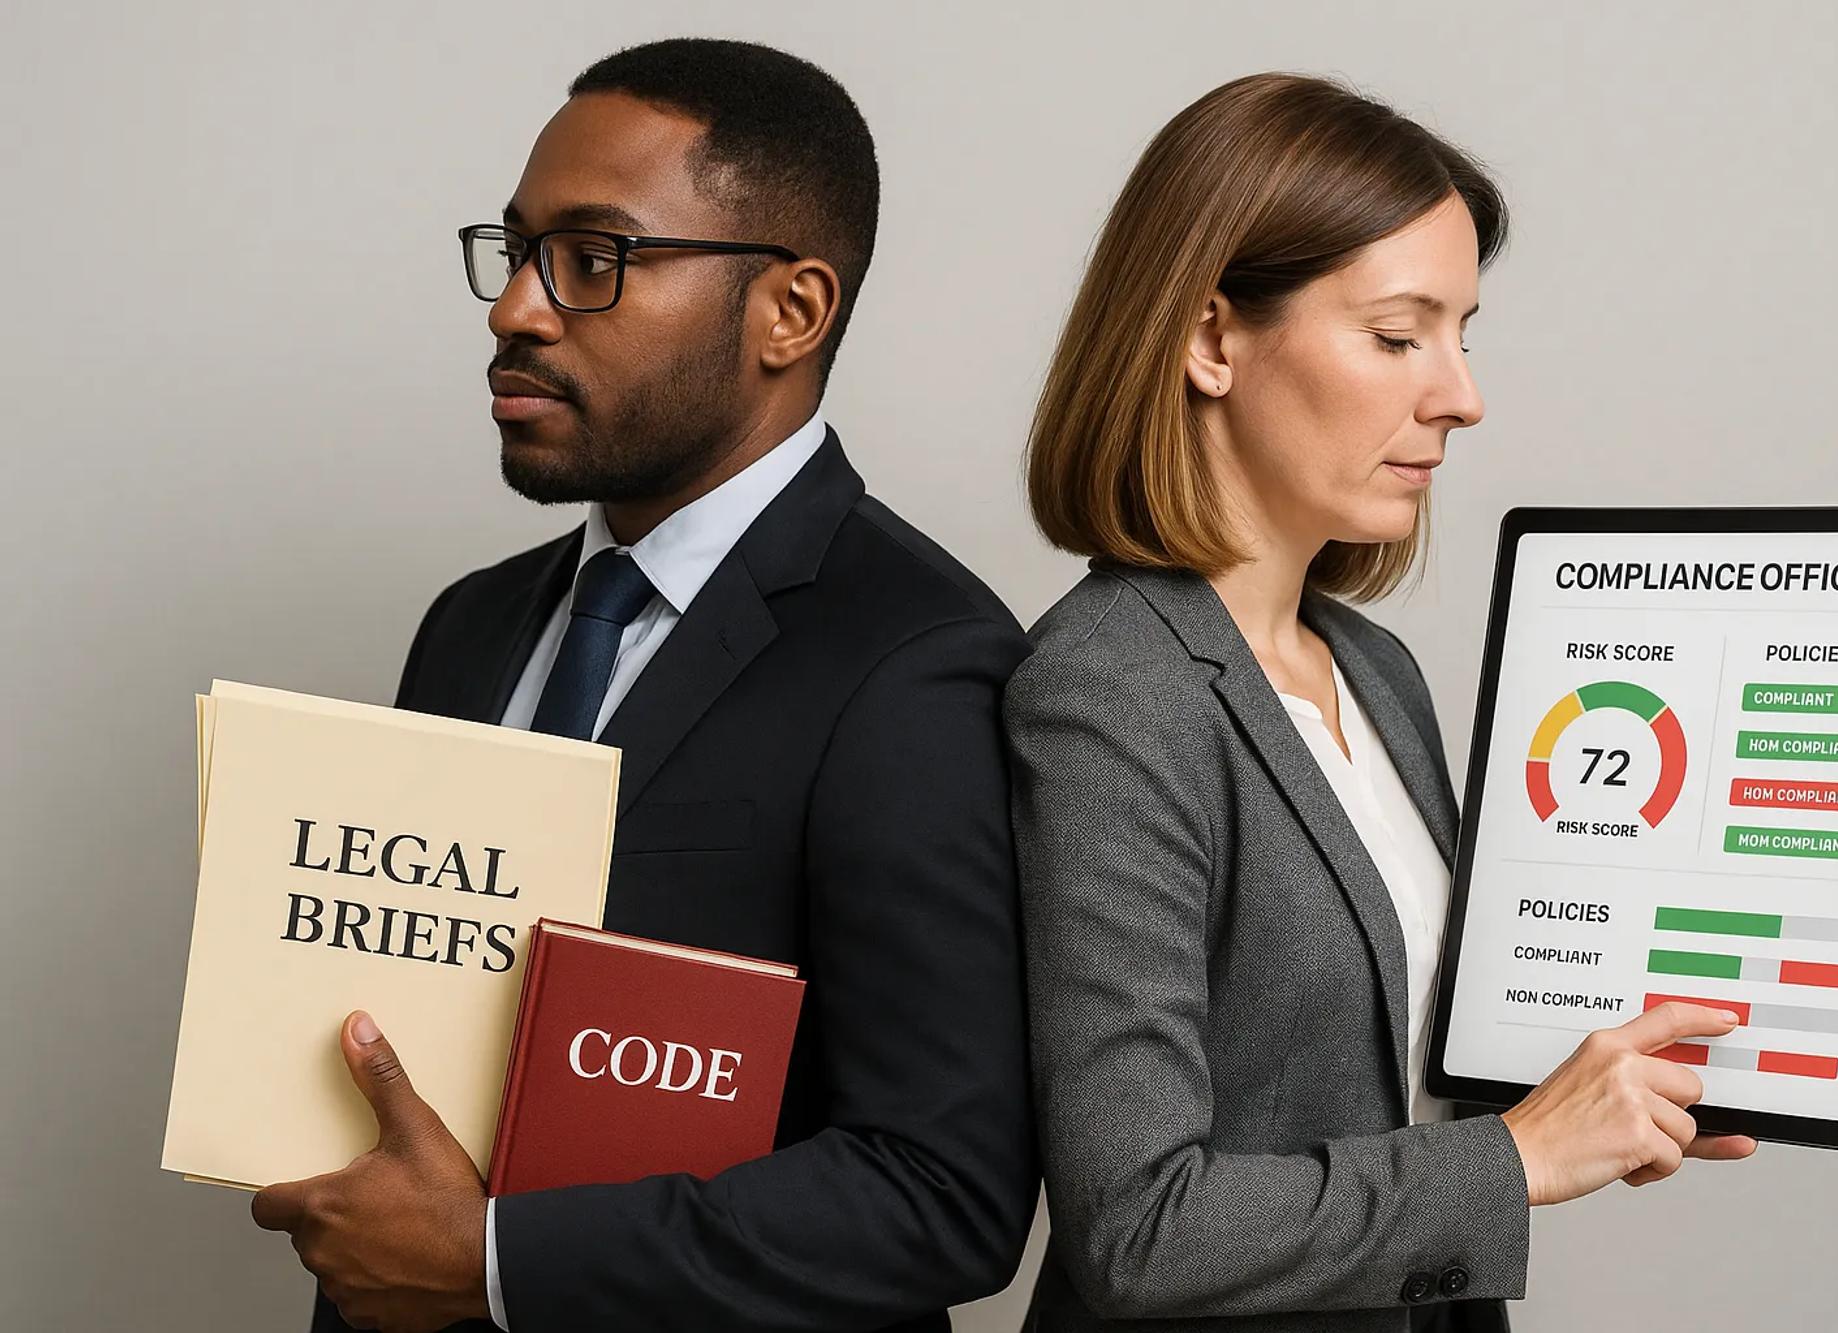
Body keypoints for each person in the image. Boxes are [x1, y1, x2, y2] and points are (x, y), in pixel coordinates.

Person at [248, 37, 1037, 1332]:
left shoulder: (916, 662)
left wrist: (498, 1261)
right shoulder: (471, 626)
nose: (517, 308)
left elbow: (940, 1190)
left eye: (595, 258)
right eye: (516, 251)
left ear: (791, 310)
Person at [1005, 73, 1757, 1333]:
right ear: (1207, 339)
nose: (1459, 396)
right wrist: (1516, 1157)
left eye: (1464, 335)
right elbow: (1135, 1226)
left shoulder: (1373, 669)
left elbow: (1390, 1077)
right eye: (1399, 336)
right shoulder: (1104, 692)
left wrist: (1618, 1080)